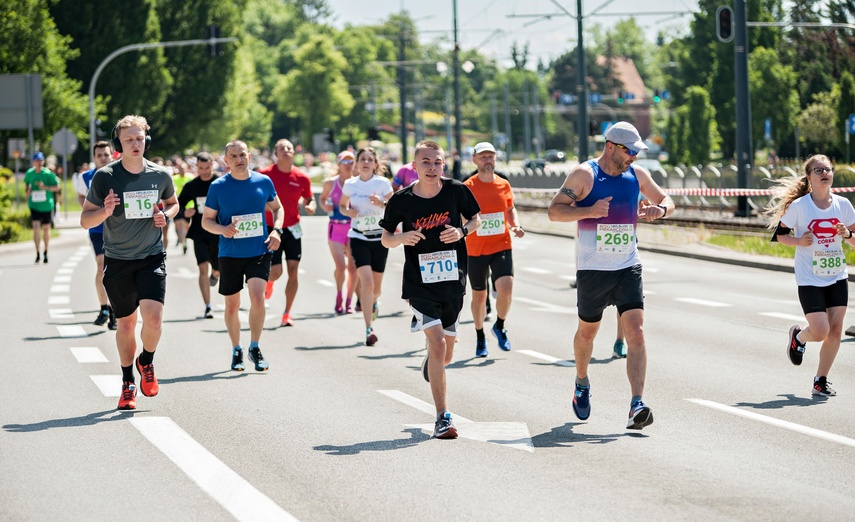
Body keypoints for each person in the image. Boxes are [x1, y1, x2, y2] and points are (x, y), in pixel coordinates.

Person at [547, 121, 673, 430]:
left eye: (636, 152)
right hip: (593, 270)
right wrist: (587, 211)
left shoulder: (637, 175)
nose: (634, 157)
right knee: (588, 334)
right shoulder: (584, 175)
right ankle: (581, 382)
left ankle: (636, 404)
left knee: (637, 333)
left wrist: (661, 211)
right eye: (630, 151)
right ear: (611, 147)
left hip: (628, 266)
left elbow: (667, 200)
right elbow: (554, 211)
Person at [380, 140, 481, 439]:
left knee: (445, 353)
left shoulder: (456, 191)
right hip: (419, 283)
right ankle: (442, 417)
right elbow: (386, 238)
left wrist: (461, 230)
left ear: (443, 165)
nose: (432, 167)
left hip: (452, 281)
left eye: (437, 162)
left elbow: (476, 219)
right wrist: (402, 237)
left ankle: (432, 363)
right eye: (426, 162)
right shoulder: (401, 200)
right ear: (414, 166)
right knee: (437, 344)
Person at [80, 115, 178, 410]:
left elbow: (172, 203)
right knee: (125, 325)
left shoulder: (160, 175)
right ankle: (127, 383)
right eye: (128, 139)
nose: (135, 144)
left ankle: (146, 361)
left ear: (146, 140)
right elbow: (85, 220)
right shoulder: (105, 177)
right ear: (118, 143)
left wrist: (166, 215)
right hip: (118, 259)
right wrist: (105, 211)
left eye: (139, 138)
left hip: (150, 256)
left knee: (154, 318)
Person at [766, 154, 854, 397]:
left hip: (836, 275)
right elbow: (780, 235)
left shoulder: (844, 205)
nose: (824, 173)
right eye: (818, 170)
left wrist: (847, 234)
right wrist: (798, 240)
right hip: (809, 277)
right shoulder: (800, 207)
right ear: (809, 177)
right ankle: (799, 337)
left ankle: (820, 380)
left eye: (827, 169)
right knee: (820, 331)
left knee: (836, 331)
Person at [202, 140, 284, 372]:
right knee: (232, 305)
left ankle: (255, 347)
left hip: (259, 250)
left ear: (249, 156)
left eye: (242, 155)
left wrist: (277, 229)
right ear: (226, 160)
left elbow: (278, 208)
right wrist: (222, 229)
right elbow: (206, 221)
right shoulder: (218, 187)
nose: (239, 159)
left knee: (258, 297)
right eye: (233, 156)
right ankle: (236, 348)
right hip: (230, 253)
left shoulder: (263, 181)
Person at [463, 142, 525, 357]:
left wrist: (515, 225)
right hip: (475, 249)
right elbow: (461, 215)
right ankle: (480, 336)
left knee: (506, 288)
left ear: (495, 159)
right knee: (479, 297)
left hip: (501, 245)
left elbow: (510, 208)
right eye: (483, 157)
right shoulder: (467, 187)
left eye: (491, 156)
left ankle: (499, 325)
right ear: (475, 160)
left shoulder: (504, 184)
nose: (487, 160)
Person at [257, 139, 316, 327]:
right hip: (270, 227)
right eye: (281, 148)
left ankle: (287, 313)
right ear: (276, 153)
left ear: (293, 153)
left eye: (289, 148)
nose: (285, 151)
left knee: (293, 270)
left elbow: (309, 198)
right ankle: (269, 283)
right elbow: (255, 198)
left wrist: (311, 205)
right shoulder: (265, 175)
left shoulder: (301, 177)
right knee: (275, 272)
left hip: (292, 228)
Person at [339, 147, 394, 345]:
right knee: (367, 282)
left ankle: (374, 301)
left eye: (370, 159)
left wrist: (381, 203)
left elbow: (394, 207)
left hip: (380, 239)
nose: (366, 162)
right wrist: (349, 213)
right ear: (357, 163)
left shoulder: (382, 183)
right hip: (358, 237)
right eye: (362, 159)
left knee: (376, 288)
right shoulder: (350, 184)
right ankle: (369, 329)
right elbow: (342, 206)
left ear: (375, 164)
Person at [77, 140, 117, 329]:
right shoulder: (86, 177)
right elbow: (80, 196)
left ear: (112, 155)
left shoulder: (119, 174)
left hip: (118, 228)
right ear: (94, 158)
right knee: (102, 266)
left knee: (116, 269)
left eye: (106, 155)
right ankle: (104, 308)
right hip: (97, 229)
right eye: (99, 155)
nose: (103, 158)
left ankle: (116, 310)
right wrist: (89, 213)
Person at [178, 151, 220, 319]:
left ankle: (216, 272)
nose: (204, 171)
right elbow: (177, 205)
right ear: (197, 167)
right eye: (201, 168)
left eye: (207, 167)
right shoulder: (192, 186)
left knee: (218, 268)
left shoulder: (220, 182)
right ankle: (208, 306)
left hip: (218, 231)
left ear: (212, 165)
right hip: (199, 232)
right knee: (202, 267)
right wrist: (186, 212)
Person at [318, 150, 358, 314]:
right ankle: (339, 295)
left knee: (353, 268)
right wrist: (324, 206)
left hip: (354, 227)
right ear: (339, 165)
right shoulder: (330, 183)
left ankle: (349, 300)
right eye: (344, 162)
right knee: (340, 267)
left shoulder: (358, 183)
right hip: (336, 227)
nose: (348, 165)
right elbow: (322, 198)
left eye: (351, 162)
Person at [24, 152, 60, 264]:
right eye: (37, 160)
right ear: (33, 162)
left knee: (45, 229)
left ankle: (45, 251)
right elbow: (26, 188)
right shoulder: (29, 173)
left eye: (41, 160)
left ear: (43, 161)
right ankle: (37, 252)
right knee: (35, 228)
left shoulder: (48, 174)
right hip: (34, 205)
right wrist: (28, 192)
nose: (39, 163)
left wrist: (46, 187)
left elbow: (57, 187)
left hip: (46, 205)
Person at [171, 161, 193, 254]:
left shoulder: (190, 178)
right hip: (177, 205)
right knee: (178, 224)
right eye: (180, 169)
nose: (182, 171)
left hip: (188, 205)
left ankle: (184, 241)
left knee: (186, 225)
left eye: (183, 169)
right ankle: (182, 241)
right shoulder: (174, 178)